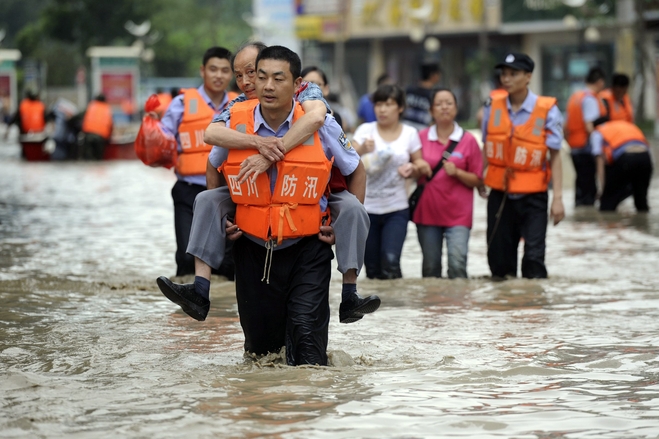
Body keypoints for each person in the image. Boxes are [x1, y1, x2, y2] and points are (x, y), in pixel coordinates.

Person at [157, 42, 379, 324]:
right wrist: (257, 145)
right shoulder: (237, 109)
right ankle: (200, 290)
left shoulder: (309, 97)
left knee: (353, 209)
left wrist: (271, 155)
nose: (249, 82)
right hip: (253, 207)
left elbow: (319, 120)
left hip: (313, 197)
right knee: (206, 200)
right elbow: (212, 143)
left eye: (255, 73)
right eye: (241, 76)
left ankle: (350, 294)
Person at [223, 45, 364, 365]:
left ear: (297, 84)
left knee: (307, 350)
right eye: (261, 78)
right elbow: (214, 168)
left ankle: (308, 407)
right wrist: (226, 219)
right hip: (252, 246)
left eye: (278, 78)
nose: (268, 86)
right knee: (261, 354)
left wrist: (341, 224)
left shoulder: (322, 123)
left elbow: (356, 169)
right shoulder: (234, 123)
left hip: (308, 247)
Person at [482, 52, 565, 279]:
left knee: (534, 259)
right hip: (501, 192)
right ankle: (505, 309)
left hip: (534, 196)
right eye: (504, 74)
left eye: (513, 74)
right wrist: (481, 178)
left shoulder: (548, 109)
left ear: (528, 77)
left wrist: (557, 198)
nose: (506, 79)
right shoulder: (492, 107)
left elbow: (555, 156)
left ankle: (533, 308)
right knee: (499, 262)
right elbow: (487, 147)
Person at [156, 46, 236, 277]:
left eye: (224, 70)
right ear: (202, 71)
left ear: (231, 75)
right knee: (186, 256)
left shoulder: (239, 104)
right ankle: (183, 304)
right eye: (213, 69)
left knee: (227, 261)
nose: (219, 75)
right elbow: (162, 139)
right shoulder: (181, 103)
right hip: (189, 190)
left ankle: (223, 310)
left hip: (228, 191)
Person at [352, 84, 431, 279]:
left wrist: (413, 168)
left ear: (400, 107)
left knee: (391, 261)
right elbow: (346, 160)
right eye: (378, 104)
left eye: (388, 104)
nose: (382, 109)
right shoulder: (365, 131)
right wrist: (362, 149)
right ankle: (379, 309)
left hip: (396, 208)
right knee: (371, 267)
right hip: (367, 208)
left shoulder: (409, 133)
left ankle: (397, 306)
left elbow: (420, 163)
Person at [413, 87, 483, 278]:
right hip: (427, 213)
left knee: (458, 265)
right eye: (439, 104)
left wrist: (458, 172)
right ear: (431, 110)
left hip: (459, 215)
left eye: (449, 103)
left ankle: (457, 307)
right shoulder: (420, 138)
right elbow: (409, 170)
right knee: (430, 268)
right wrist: (416, 168)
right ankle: (434, 307)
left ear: (456, 108)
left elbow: (478, 179)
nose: (444, 107)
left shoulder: (469, 140)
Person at [565, 67, 606, 206]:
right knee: (589, 189)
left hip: (574, 147)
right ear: (599, 82)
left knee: (581, 186)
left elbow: (566, 126)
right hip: (585, 148)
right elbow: (590, 127)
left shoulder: (575, 97)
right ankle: (588, 221)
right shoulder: (590, 99)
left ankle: (580, 221)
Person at [591, 120, 652, 212]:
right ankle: (642, 223)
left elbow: (599, 161)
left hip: (625, 157)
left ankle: (607, 225)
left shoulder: (597, 132)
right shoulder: (627, 125)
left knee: (607, 206)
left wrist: (603, 189)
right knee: (641, 202)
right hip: (645, 158)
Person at [403, 62, 442, 130]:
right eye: (438, 74)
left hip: (405, 130)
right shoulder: (433, 95)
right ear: (433, 75)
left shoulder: (408, 91)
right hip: (421, 133)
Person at [80, 94, 113, 160]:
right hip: (101, 137)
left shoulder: (90, 106)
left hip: (88, 135)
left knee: (87, 159)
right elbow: (110, 126)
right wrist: (109, 138)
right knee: (98, 159)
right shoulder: (107, 109)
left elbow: (82, 119)